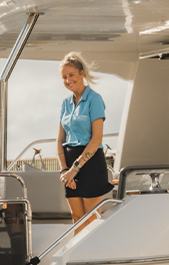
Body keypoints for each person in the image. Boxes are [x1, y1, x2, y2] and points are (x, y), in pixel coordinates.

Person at [55, 52, 113, 231]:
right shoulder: (65, 103)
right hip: (70, 167)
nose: (67, 80)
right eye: (64, 77)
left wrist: (74, 169)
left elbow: (96, 140)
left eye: (71, 75)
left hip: (90, 165)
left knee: (92, 220)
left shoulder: (94, 99)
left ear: (81, 73)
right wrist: (65, 170)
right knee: (77, 219)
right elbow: (60, 141)